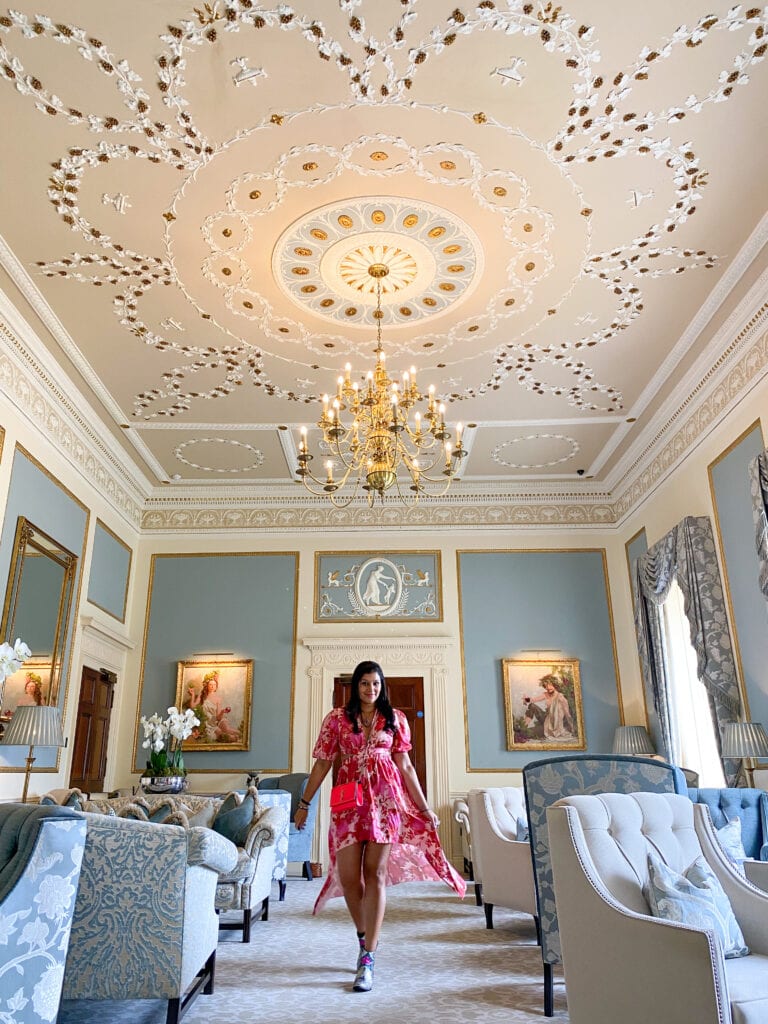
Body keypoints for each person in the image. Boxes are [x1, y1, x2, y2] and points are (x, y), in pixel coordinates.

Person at [294, 660, 466, 993]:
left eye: (375, 684)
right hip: (349, 803)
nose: (370, 689)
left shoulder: (395, 719)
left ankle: (368, 956)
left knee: (376, 873)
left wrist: (424, 808)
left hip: (386, 803)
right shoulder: (336, 719)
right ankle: (363, 937)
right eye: (364, 683)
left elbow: (406, 766)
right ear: (355, 686)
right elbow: (323, 764)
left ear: (381, 686)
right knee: (349, 877)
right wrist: (304, 803)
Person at [523, 673, 574, 739]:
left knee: (528, 732)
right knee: (532, 705)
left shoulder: (561, 698)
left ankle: (525, 731)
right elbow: (533, 700)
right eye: (546, 685)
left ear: (555, 685)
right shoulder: (546, 694)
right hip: (546, 719)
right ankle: (523, 726)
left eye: (550, 685)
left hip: (553, 725)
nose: (548, 687)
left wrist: (572, 727)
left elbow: (567, 714)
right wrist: (525, 699)